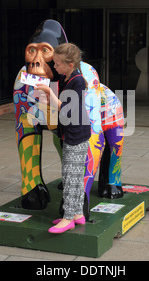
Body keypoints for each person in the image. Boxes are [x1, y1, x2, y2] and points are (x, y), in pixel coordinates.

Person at [35, 43, 91, 234]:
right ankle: (76, 213)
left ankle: (68, 218)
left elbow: (66, 108)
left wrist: (49, 93)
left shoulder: (77, 81)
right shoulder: (68, 77)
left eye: (58, 64)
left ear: (70, 64)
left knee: (70, 176)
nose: (55, 68)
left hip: (77, 135)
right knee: (72, 174)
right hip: (73, 133)